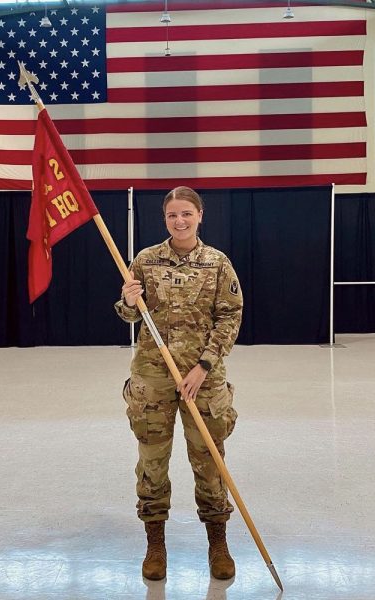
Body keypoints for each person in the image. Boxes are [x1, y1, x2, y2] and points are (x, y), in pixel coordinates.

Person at [115, 186, 243, 581]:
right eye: (172, 215)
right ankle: (155, 542)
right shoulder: (146, 259)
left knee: (209, 459)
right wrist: (128, 299)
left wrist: (203, 366)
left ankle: (217, 541)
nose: (180, 221)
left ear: (200, 215)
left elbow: (230, 316)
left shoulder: (217, 263)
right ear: (165, 219)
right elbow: (127, 315)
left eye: (187, 213)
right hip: (153, 376)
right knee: (152, 461)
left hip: (202, 379)